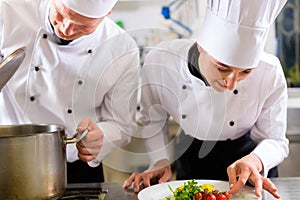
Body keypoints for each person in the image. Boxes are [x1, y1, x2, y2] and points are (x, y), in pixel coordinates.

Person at [123, 0, 289, 198]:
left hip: (248, 166)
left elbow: (276, 140)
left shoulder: (269, 71)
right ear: (201, 46)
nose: (232, 83)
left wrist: (256, 160)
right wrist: (160, 160)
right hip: (193, 159)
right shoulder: (162, 61)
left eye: (245, 72)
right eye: (222, 68)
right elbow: (153, 120)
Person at [0, 0, 139, 183]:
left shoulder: (122, 49)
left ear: (108, 12)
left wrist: (100, 137)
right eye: (61, 14)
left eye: (83, 26)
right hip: (6, 159)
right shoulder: (7, 12)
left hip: (74, 168)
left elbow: (122, 125)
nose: (65, 29)